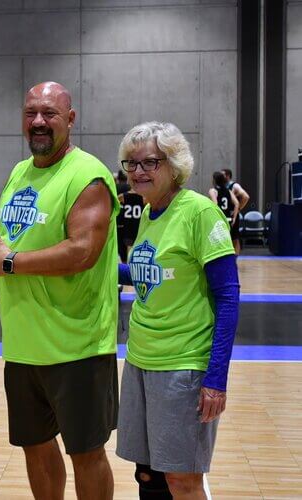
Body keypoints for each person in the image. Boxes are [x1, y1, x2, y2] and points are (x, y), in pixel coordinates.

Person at [0, 81, 120, 499]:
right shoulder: (18, 173)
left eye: (49, 114)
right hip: (23, 346)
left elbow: (82, 251)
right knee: (36, 448)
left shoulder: (88, 176)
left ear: (70, 119)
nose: (38, 122)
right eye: (30, 114)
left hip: (76, 346)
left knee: (86, 453)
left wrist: (8, 262)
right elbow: (6, 240)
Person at [116, 122, 239, 499]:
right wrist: (93, 266)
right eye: (130, 163)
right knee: (149, 476)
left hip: (183, 365)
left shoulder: (199, 212)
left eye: (149, 162)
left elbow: (229, 297)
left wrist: (216, 379)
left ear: (174, 164)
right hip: (140, 360)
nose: (138, 172)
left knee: (182, 480)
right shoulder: (150, 214)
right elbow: (147, 276)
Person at [209, 171, 240, 253]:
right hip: (229, 219)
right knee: (230, 242)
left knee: (218, 243)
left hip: (219, 219)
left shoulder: (213, 190)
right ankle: (232, 261)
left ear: (214, 180)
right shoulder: (228, 191)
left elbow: (215, 204)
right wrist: (234, 217)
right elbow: (237, 203)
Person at [221, 168, 250, 254]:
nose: (221, 177)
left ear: (228, 176)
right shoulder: (222, 186)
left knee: (234, 238)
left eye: (223, 175)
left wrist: (239, 209)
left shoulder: (234, 186)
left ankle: (236, 258)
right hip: (224, 214)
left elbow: (246, 197)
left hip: (232, 215)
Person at [118, 183, 145, 263]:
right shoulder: (143, 198)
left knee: (128, 255)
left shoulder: (123, 197)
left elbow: (116, 200)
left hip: (128, 227)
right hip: (139, 227)